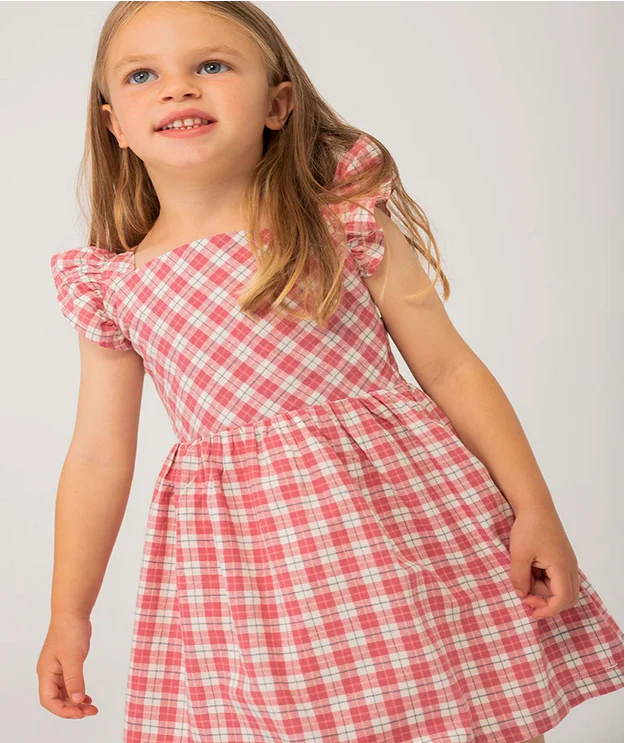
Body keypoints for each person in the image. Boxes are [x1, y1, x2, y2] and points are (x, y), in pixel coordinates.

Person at [37, 2, 624, 742]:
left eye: (211, 65)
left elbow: (449, 368)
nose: (178, 87)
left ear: (278, 104)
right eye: (142, 75)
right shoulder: (115, 286)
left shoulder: (340, 222)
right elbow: (98, 455)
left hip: (408, 532)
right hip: (253, 573)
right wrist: (69, 613)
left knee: (455, 711)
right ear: (115, 125)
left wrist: (534, 508)